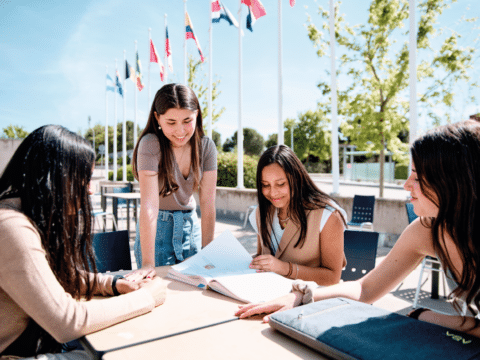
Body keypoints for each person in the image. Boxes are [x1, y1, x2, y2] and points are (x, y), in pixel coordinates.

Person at [236, 121, 480, 338]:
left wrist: (424, 315)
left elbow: (334, 276)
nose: (406, 185)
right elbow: (364, 288)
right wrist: (301, 295)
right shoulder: (425, 230)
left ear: (454, 182)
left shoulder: (326, 214)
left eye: (417, 176)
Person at [0, 125, 166, 359]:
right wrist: (147, 297)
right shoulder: (10, 227)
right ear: (54, 178)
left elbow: (57, 279)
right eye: (85, 179)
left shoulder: (29, 216)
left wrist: (113, 284)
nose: (90, 191)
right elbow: (67, 321)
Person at [126, 83, 217, 282]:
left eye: (187, 120)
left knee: (194, 292)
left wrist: (208, 252)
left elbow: (208, 203)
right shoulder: (150, 144)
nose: (180, 131)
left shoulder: (206, 147)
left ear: (197, 114)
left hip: (190, 228)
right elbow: (149, 205)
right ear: (158, 118)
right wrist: (148, 263)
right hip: (157, 231)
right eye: (171, 122)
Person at [248, 145, 347, 285]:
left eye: (281, 184)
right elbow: (262, 256)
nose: (273, 193)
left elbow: (332, 277)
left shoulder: (327, 215)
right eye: (265, 185)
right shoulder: (261, 212)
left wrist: (284, 268)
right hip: (271, 294)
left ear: (296, 178)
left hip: (313, 299)